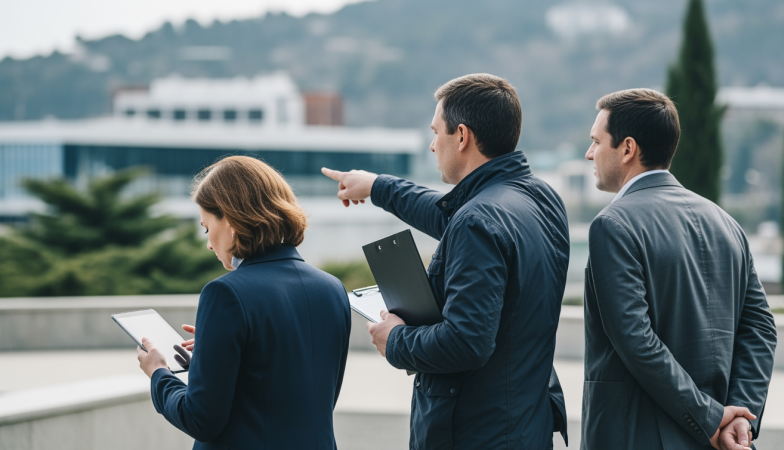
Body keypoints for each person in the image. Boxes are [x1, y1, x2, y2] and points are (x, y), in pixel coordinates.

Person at [322, 73, 571, 449]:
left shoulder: (477, 219)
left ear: (462, 136)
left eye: (436, 132)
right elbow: (448, 215)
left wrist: (395, 340)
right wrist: (377, 186)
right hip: (526, 426)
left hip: (475, 434)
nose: (432, 145)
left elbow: (466, 342)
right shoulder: (542, 200)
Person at [581, 88, 777, 450]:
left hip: (634, 437)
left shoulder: (612, 225)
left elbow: (636, 339)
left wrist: (710, 417)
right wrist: (740, 418)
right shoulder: (726, 222)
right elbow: (761, 328)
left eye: (596, 141)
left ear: (627, 148)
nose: (590, 153)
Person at [136, 156, 351, 450]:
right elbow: (308, 397)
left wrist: (158, 373)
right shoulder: (332, 288)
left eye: (206, 227)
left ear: (231, 219)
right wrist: (220, 356)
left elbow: (200, 419)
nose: (209, 243)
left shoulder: (225, 293)